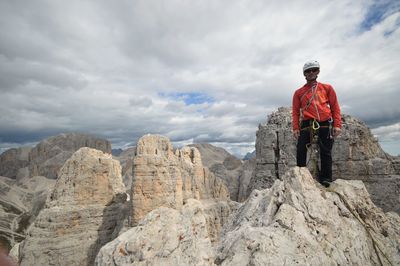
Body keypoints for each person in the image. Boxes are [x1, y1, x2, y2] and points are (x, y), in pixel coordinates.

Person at [292, 60, 342, 187]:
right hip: (308, 122)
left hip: (325, 122)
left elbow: (335, 107)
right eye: (308, 71)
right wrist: (296, 127)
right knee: (301, 149)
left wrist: (337, 124)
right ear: (304, 74)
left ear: (318, 71)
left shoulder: (327, 88)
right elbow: (295, 112)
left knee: (325, 151)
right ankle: (301, 176)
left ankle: (326, 179)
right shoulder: (299, 92)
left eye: (314, 70)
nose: (311, 72)